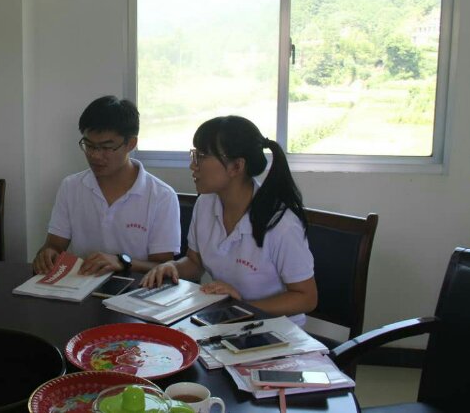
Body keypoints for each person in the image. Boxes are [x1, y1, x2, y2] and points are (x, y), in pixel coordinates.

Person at [141, 116, 317, 324]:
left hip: (275, 330)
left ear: (236, 166)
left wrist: (243, 307)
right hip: (226, 320)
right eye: (194, 154)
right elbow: (195, 262)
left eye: (202, 156)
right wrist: (173, 267)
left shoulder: (281, 224)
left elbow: (306, 298)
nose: (193, 165)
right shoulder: (205, 203)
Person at [33, 95, 181, 276]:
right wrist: (47, 254)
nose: (95, 155)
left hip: (137, 287)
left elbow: (163, 266)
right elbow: (54, 245)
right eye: (89, 145)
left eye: (106, 147)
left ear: (131, 144)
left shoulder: (161, 196)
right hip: (82, 284)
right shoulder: (71, 187)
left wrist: (121, 262)